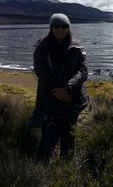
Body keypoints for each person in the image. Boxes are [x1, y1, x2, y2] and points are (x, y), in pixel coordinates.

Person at [31, 13, 90, 161]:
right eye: (56, 26)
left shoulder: (76, 47)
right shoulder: (41, 47)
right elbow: (41, 72)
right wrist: (58, 90)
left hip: (72, 99)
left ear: (68, 27)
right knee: (48, 140)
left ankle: (66, 172)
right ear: (51, 28)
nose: (60, 29)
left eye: (64, 26)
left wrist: (68, 88)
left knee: (69, 138)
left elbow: (83, 71)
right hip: (50, 101)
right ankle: (39, 173)